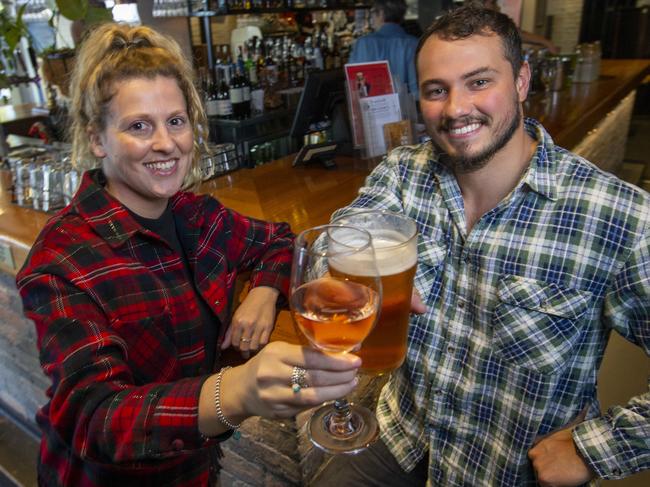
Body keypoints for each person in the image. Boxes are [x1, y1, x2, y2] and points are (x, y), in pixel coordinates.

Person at [314, 6, 649, 486]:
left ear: (522, 81)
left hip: (505, 470)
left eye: (478, 82)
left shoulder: (617, 215)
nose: (455, 109)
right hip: (402, 433)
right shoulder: (402, 174)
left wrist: (594, 449)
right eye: (436, 90)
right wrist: (338, 276)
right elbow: (342, 233)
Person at [16, 23, 361, 486]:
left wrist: (262, 291)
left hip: (194, 471)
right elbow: (94, 418)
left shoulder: (197, 215)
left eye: (176, 121)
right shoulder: (63, 261)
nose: (166, 143)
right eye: (139, 126)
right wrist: (235, 392)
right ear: (97, 139)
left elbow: (280, 241)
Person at [349, 0, 419, 96]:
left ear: (381, 13)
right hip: (406, 108)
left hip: (371, 109)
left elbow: (355, 88)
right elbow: (416, 91)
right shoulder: (413, 43)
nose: (371, 18)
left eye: (373, 12)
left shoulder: (363, 43)